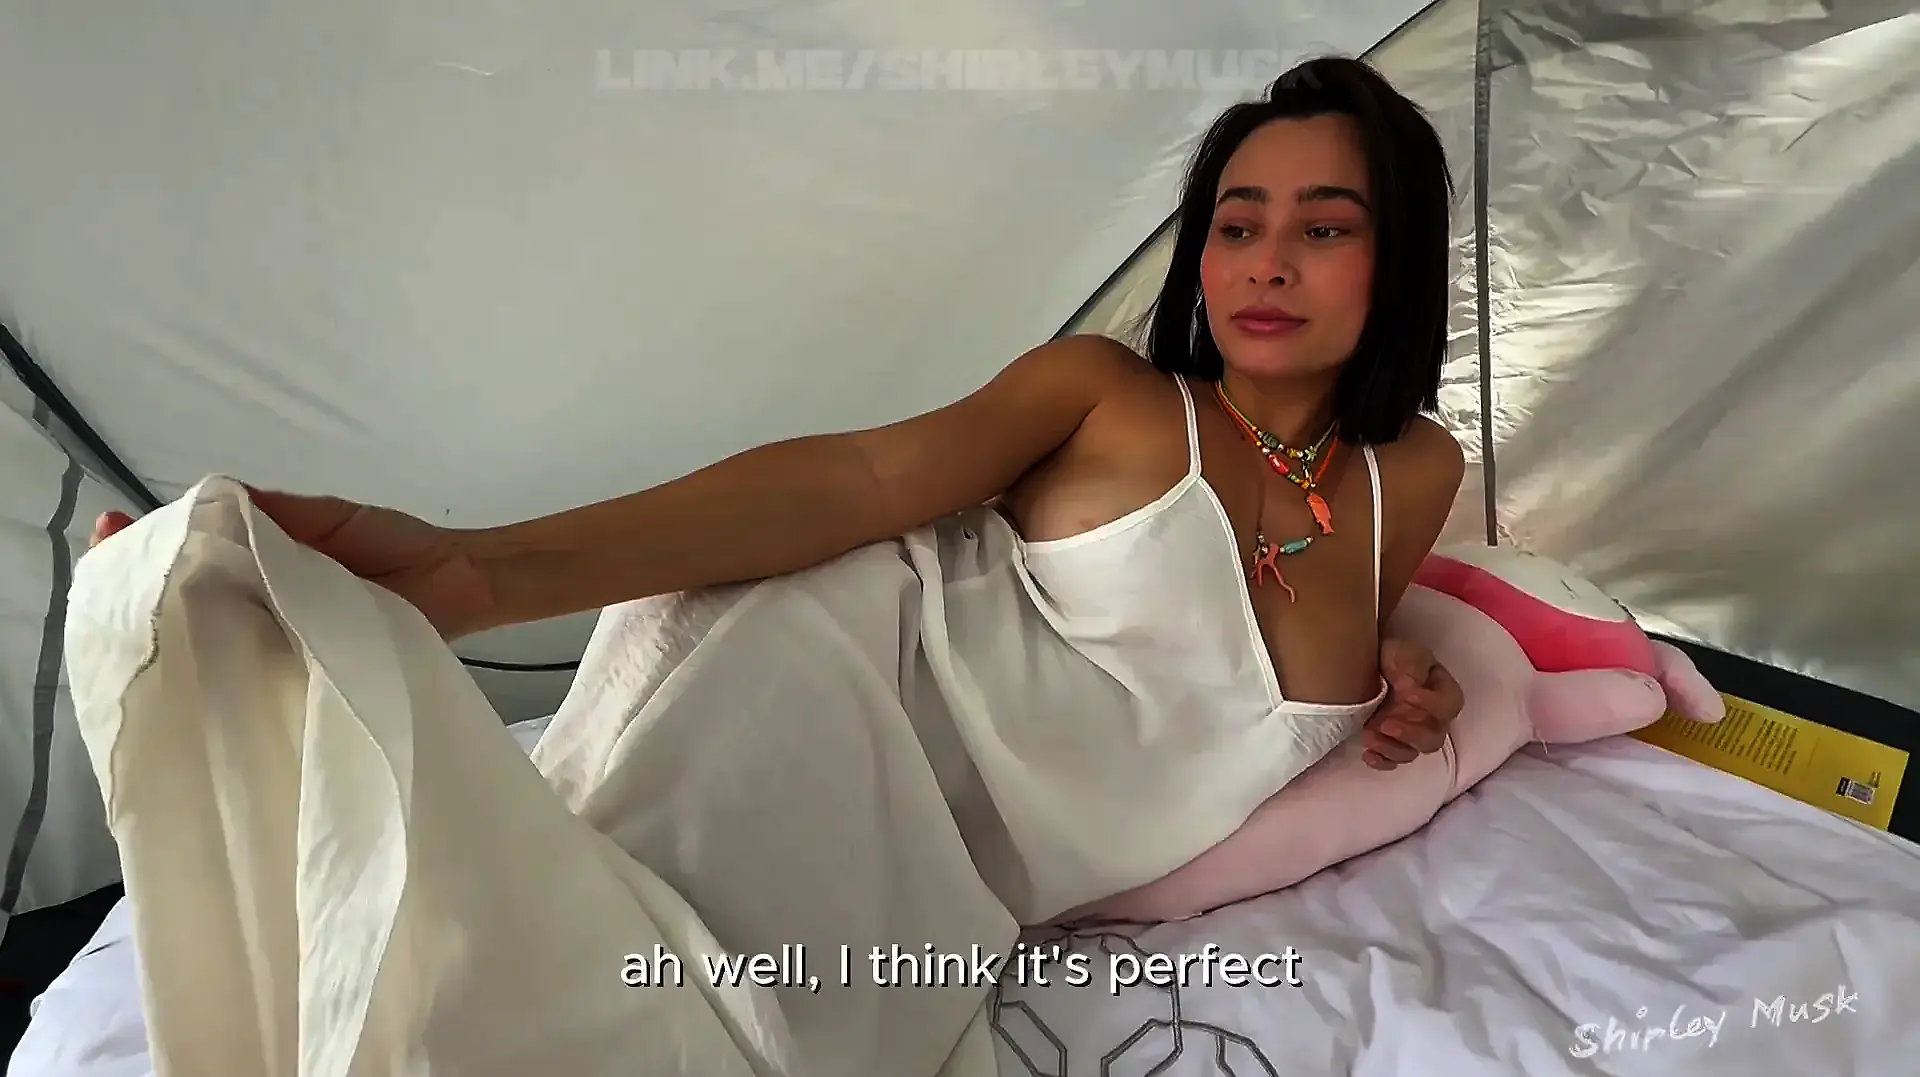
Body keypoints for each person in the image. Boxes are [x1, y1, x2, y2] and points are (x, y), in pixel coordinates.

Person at [94, 59, 1461, 805]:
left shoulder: (1419, 470)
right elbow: (859, 477)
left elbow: (1305, 624)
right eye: (1236, 223)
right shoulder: (1106, 390)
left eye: (1324, 227)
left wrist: (1402, 668)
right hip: (812, 693)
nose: (1266, 260)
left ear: (1396, 257)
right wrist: (476, 571)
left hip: (958, 873)